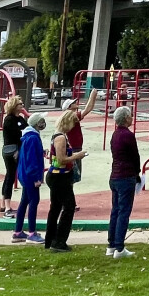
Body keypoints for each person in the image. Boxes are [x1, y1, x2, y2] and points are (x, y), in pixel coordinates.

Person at [45, 108, 86, 253]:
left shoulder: (59, 135)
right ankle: (59, 241)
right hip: (59, 176)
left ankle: (50, 239)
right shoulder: (61, 137)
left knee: (55, 207)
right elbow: (61, 159)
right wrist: (77, 156)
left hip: (58, 175)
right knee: (68, 207)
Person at [107, 106, 140, 258]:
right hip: (126, 176)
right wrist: (137, 173)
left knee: (115, 210)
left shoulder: (115, 134)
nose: (132, 118)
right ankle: (119, 247)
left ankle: (112, 245)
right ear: (126, 118)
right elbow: (135, 155)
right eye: (130, 116)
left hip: (115, 175)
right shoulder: (128, 135)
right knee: (123, 212)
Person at [12, 113, 46, 244]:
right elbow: (31, 160)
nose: (43, 123)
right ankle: (32, 233)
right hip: (30, 176)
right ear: (37, 123)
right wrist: (36, 178)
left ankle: (18, 232)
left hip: (25, 175)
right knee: (33, 201)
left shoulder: (28, 137)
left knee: (24, 201)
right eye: (42, 121)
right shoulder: (33, 138)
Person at [63, 87, 97, 209]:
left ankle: (69, 202)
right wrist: (93, 95)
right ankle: (68, 203)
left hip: (75, 148)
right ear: (69, 107)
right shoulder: (72, 116)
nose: (75, 103)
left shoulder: (69, 116)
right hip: (74, 149)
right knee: (71, 177)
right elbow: (88, 109)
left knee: (71, 177)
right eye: (73, 103)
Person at [0, 95, 26, 217]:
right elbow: (18, 133)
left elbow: (27, 128)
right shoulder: (9, 119)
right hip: (11, 151)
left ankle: (3, 205)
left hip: (16, 149)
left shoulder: (19, 118)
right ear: (14, 106)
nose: (22, 106)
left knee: (9, 175)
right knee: (10, 177)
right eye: (20, 104)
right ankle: (7, 209)